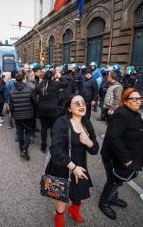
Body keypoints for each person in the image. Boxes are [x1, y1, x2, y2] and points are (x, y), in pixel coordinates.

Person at [46, 94, 99, 227]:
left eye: (83, 102)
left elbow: (95, 150)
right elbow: (55, 150)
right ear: (69, 108)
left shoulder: (86, 122)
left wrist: (89, 142)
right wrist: (73, 168)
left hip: (80, 166)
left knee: (78, 193)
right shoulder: (62, 123)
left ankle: (74, 210)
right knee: (62, 196)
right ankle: (59, 219)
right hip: (63, 165)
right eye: (77, 103)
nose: (81, 105)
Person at [99, 88, 143, 220]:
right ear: (125, 101)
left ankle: (113, 197)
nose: (138, 102)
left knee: (119, 180)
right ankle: (104, 203)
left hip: (125, 156)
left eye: (140, 98)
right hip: (114, 157)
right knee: (114, 181)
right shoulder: (122, 114)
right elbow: (112, 137)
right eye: (134, 99)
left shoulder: (134, 113)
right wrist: (125, 158)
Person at [32, 71, 68, 153]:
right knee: (53, 128)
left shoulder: (40, 85)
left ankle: (43, 145)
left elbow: (33, 95)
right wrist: (60, 76)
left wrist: (38, 102)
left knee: (44, 129)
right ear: (52, 76)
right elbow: (66, 84)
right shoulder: (56, 84)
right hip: (53, 110)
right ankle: (53, 145)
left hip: (42, 110)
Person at [9, 73, 35, 160]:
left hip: (17, 116)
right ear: (23, 79)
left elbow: (11, 105)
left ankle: (21, 149)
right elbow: (33, 102)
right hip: (28, 115)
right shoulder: (29, 89)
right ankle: (24, 150)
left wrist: (13, 114)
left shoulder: (12, 91)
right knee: (28, 132)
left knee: (20, 133)